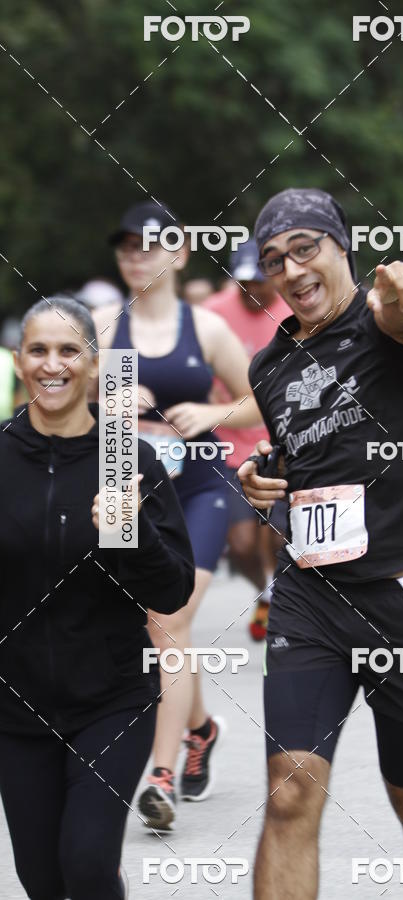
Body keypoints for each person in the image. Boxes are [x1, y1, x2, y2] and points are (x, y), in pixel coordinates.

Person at [238, 188, 403, 900]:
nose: (290, 269)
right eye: (275, 258)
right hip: (312, 598)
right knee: (289, 793)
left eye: (306, 247)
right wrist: (263, 479)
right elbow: (304, 460)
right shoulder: (269, 367)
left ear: (344, 245)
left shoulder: (387, 324)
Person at [0, 295, 195, 900]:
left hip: (112, 701)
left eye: (68, 351)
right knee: (42, 880)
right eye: (38, 350)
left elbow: (174, 588)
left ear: (93, 364)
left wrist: (128, 536)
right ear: (19, 360)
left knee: (86, 863)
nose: (51, 364)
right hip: (16, 707)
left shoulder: (127, 460)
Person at [94, 200, 262, 830]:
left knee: (168, 621)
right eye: (126, 245)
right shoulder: (105, 325)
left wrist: (213, 415)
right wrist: (111, 397)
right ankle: (201, 728)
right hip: (125, 484)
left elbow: (263, 400)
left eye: (150, 243)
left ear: (180, 250)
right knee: (147, 627)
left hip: (199, 487)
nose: (137, 253)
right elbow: (67, 403)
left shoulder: (208, 330)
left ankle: (158, 777)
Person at [205, 239, 290, 640]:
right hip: (226, 443)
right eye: (244, 283)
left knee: (275, 535)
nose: (252, 291)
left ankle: (283, 599)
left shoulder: (294, 310)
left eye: (260, 282)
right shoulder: (213, 315)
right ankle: (267, 592)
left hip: (281, 441)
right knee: (240, 545)